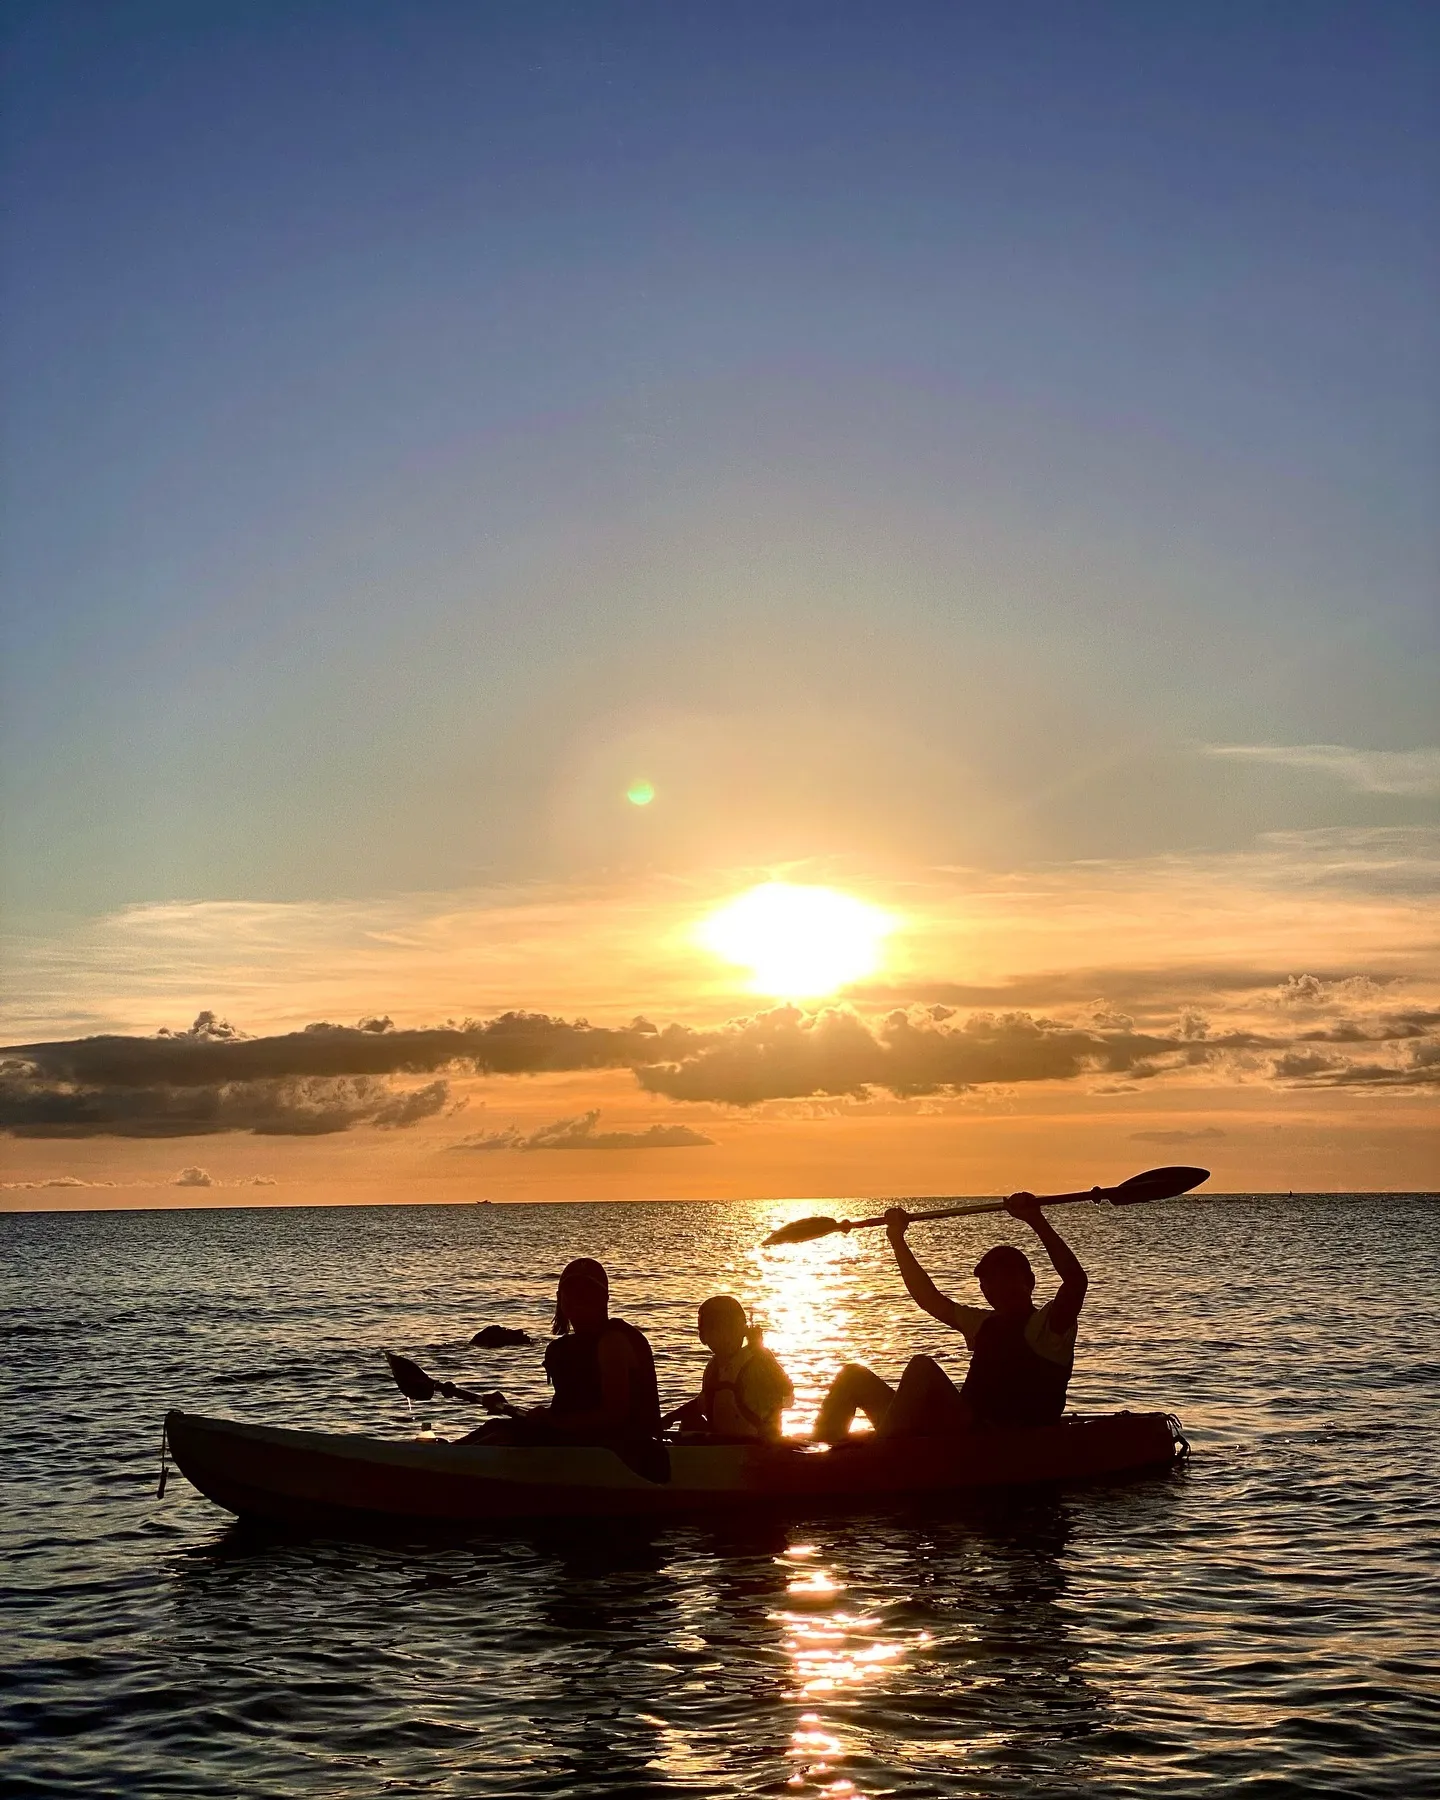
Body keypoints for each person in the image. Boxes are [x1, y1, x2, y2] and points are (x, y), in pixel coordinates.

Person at [813, 1192, 1088, 1442]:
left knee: (921, 1367)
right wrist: (896, 1238)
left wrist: (1035, 1219)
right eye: (989, 1281)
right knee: (853, 1376)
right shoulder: (982, 1324)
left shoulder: (1050, 1328)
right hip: (958, 1432)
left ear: (1029, 1282)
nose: (996, 1287)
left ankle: (876, 1462)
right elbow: (929, 1299)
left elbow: (1076, 1281)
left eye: (1006, 1277)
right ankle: (812, 1456)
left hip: (992, 1441)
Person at [460, 1257, 661, 1447]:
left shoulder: (613, 1342)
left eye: (588, 1292)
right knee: (495, 1427)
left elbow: (614, 1416)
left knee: (501, 1436)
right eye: (571, 1291)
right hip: (580, 1442)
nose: (578, 1298)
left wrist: (550, 1421)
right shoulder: (563, 1347)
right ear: (560, 1298)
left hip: (622, 1448)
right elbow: (572, 1410)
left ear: (604, 1299)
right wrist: (513, 1409)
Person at [665, 1295, 794, 1441]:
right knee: (689, 1421)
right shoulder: (713, 1367)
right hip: (721, 1442)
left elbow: (786, 1392)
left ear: (741, 1331)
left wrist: (759, 1350)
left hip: (755, 1445)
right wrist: (669, 1418)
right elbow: (702, 1402)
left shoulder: (757, 1360)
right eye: (715, 1330)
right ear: (703, 1336)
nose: (723, 1337)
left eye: (729, 1329)